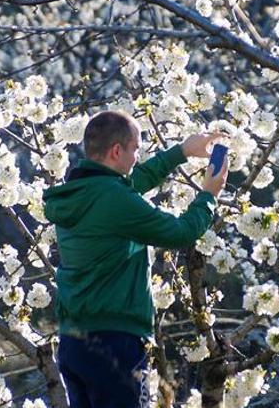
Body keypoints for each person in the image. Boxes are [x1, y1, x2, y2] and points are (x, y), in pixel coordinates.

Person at [42, 110, 229, 408]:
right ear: (117, 151)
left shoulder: (78, 193)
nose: (137, 157)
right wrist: (208, 195)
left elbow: (128, 187)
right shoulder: (114, 199)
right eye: (135, 150)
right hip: (115, 343)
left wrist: (181, 152)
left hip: (73, 342)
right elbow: (181, 232)